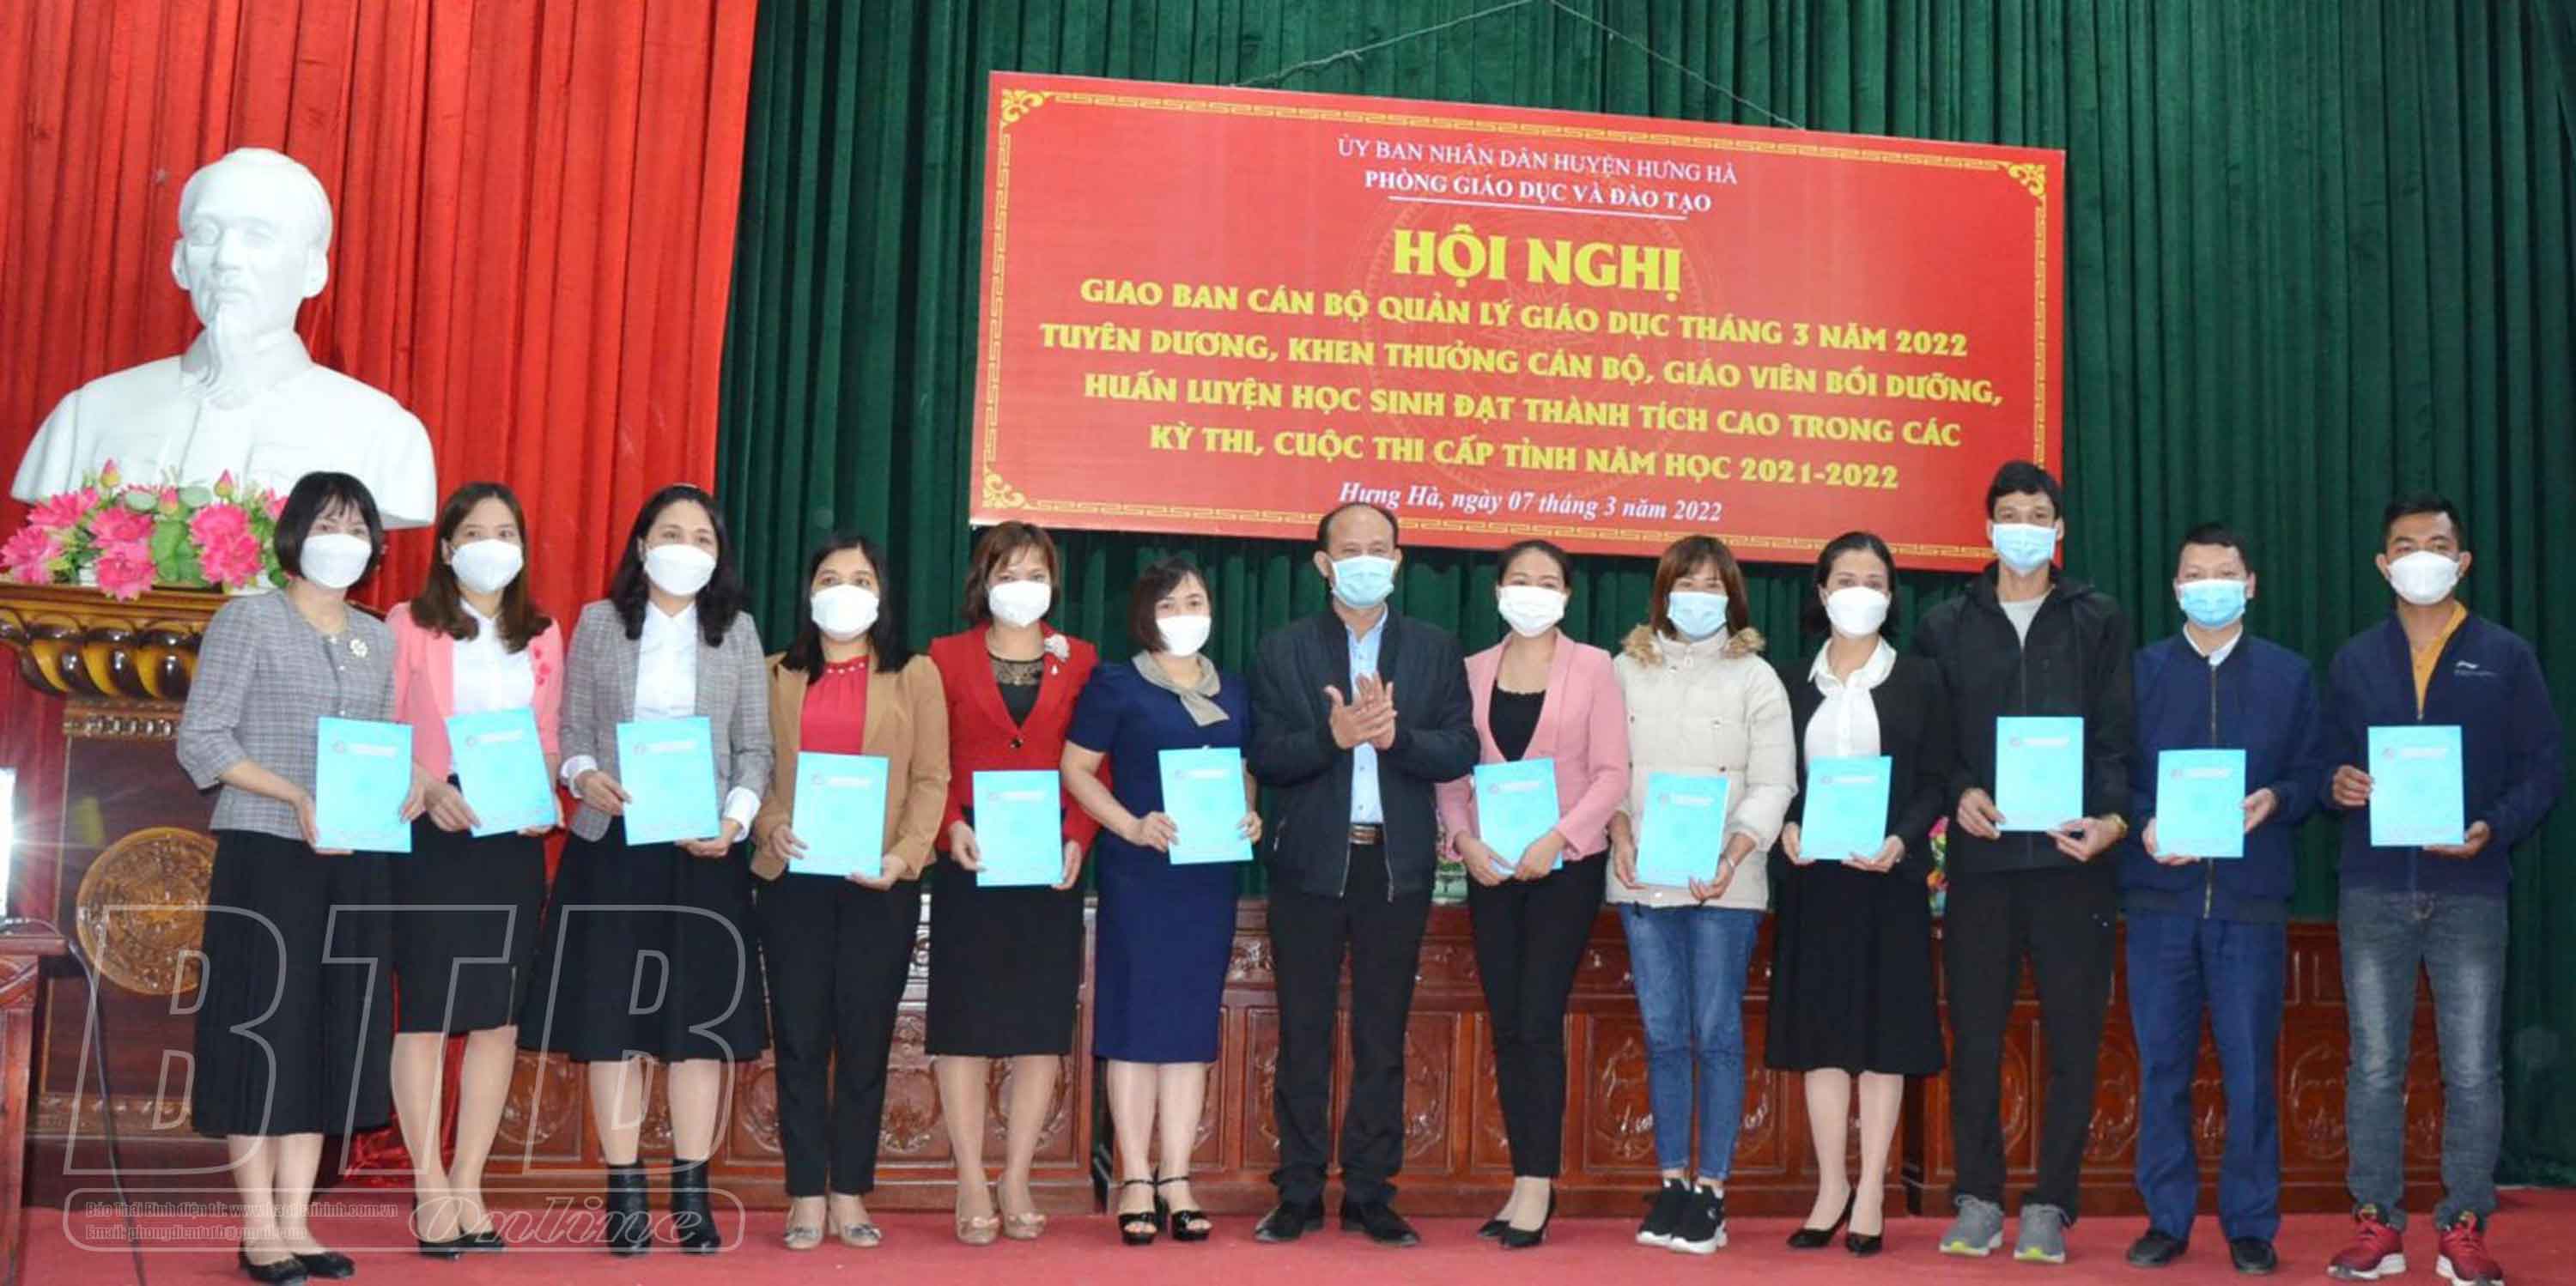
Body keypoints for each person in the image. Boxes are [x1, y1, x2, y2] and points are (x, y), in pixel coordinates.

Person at [517, 483, 773, 1256]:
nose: (685, 549)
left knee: (697, 1029)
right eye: (671, 533)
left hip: (702, 854)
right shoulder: (600, 623)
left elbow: (756, 748)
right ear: (640, 545)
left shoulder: (738, 632)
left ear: (718, 556)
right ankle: (623, 1195)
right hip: (613, 848)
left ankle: (691, 1196)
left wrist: (734, 821)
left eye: (702, 538)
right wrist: (584, 775)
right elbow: (572, 731)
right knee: (612, 1025)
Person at [177, 470, 414, 1284]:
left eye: (357, 526)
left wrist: (404, 784)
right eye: (327, 523)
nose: (343, 540)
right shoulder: (248, 619)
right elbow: (204, 740)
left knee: (326, 1031)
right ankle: (258, 1228)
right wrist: (294, 796)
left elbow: (379, 744)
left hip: (355, 861)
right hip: (269, 853)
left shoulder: (377, 637)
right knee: (264, 1031)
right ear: (294, 535)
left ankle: (298, 1222)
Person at [2322, 494, 2561, 1286]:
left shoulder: (2506, 655)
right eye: (2404, 545)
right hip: (2373, 888)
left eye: (2436, 543)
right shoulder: (2356, 660)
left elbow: (2543, 769)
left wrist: (2494, 826)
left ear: (2462, 561)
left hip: (2471, 888)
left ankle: (2463, 1224)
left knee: (2473, 1069)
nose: (2420, 556)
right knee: (2374, 1066)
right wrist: (2337, 783)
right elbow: (2323, 762)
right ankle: (2377, 1224)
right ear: (2382, 564)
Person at [1916, 459, 2134, 1265]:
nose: (2024, 528)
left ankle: (2051, 1203)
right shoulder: (1945, 624)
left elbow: (2117, 733)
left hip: (2076, 863)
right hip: (1984, 864)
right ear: (1988, 528)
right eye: (2009, 514)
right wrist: (1962, 791)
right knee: (1975, 1035)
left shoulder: (2097, 618)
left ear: (2060, 529)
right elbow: (1934, 743)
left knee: (2075, 1038)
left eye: (2038, 515)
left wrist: (2112, 820)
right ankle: (1978, 1197)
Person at [1248, 501, 1477, 1248]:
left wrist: (1395, 736)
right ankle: (1299, 1192)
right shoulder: (1283, 649)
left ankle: (1372, 1194)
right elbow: (1266, 758)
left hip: (1395, 867)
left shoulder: (1434, 649)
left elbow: (1460, 748)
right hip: (1310, 866)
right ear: (1324, 564)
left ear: (1399, 561)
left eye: (1380, 548)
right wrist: (1334, 736)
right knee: (1304, 1034)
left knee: (1382, 1037)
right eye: (1351, 549)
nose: (1366, 560)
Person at [11, 148, 437, 525]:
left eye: (258, 237)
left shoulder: (381, 433)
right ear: (180, 263)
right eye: (206, 235)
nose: (226, 259)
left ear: (314, 270)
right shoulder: (88, 416)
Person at [2119, 524, 2328, 1276]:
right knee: (2162, 1068)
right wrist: (2143, 821)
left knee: (2249, 1072)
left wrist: (2278, 799)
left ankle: (2250, 1223)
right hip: (2160, 902)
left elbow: (2314, 773)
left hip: (2250, 904)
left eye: (2225, 572)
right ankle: (2166, 1218)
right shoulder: (2140, 672)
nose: (2210, 585)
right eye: (2195, 574)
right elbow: (2112, 772)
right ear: (2176, 588)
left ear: (2250, 585)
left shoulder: (2289, 675)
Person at [747, 534, 948, 1250]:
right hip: (794, 882)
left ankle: (850, 1191)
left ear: (881, 594)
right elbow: (757, 770)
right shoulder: (775, 673)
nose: (845, 590)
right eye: (830, 578)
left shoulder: (915, 674)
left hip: (879, 883)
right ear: (809, 593)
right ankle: (805, 1192)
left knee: (865, 1042)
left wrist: (904, 856)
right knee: (800, 1039)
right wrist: (771, 826)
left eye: (860, 579)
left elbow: (931, 778)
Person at [384, 482, 564, 1257]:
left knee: (497, 1020)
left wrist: (542, 796)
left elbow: (549, 738)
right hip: (434, 830)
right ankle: (428, 1184)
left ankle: (469, 1182)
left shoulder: (544, 633)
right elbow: (383, 727)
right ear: (448, 547)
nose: (493, 545)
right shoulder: (408, 624)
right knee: (427, 1014)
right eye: (476, 532)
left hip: (510, 838)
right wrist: (426, 789)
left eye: (507, 532)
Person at [1432, 539, 1627, 1250]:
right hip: (1492, 870)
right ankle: (1522, 1179)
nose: (1534, 592)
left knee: (1539, 1021)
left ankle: (1539, 1184)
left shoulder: (1595, 667)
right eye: (1521, 579)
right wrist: (1463, 840)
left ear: (1568, 597)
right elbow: (1453, 775)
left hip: (1563, 870)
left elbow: (1612, 773)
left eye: (1549, 582)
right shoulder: (1470, 670)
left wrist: (1560, 839)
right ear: (1498, 592)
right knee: (1509, 1023)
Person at [1604, 534, 1795, 1258]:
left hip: (1727, 882)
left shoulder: (1757, 678)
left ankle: (1712, 1188)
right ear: (1663, 593)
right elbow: (1606, 767)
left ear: (1733, 598)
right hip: (1643, 878)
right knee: (1662, 1034)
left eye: (1713, 586)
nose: (1699, 597)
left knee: (1715, 1033)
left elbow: (1775, 782)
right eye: (1687, 583)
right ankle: (1672, 1183)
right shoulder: (1624, 669)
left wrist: (1735, 849)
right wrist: (1620, 830)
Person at [1765, 531, 1952, 1259]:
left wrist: (1902, 839)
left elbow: (1935, 778)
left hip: (1887, 878)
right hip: (1815, 881)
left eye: (1874, 581)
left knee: (1883, 1039)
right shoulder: (1788, 681)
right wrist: (1784, 823)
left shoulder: (1922, 680)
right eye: (1846, 579)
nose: (1860, 592)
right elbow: (1773, 776)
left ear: (1891, 594)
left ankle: (1872, 1188)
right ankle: (1831, 1187)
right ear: (1821, 591)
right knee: (1822, 1040)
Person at [1063, 557, 1260, 1247]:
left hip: (1207, 881)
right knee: (1134, 1027)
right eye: (1170, 603)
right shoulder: (1117, 684)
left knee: (1188, 1032)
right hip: (1140, 877)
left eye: (1196, 601)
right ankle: (1136, 1179)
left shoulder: (1234, 689)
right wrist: (1130, 826)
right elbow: (1076, 769)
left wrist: (1250, 813)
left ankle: (1177, 1176)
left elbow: (1243, 772)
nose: (1185, 614)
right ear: (1145, 614)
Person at [924, 520, 1097, 1245]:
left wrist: (1079, 835)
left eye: (1035, 572)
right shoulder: (944, 656)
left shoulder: (1081, 658)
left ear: (1053, 583)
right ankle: (970, 1179)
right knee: (962, 1026)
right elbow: (927, 757)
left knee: (1039, 1028)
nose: (1021, 585)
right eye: (1007, 571)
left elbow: (1098, 760)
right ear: (983, 580)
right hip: (972, 858)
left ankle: (1017, 1176)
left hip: (1048, 865)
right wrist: (946, 827)